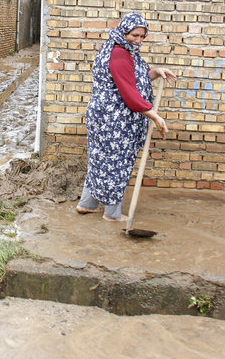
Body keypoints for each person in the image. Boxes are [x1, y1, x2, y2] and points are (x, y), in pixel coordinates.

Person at [76, 13, 177, 222]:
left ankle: (86, 204)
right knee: (117, 163)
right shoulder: (119, 55)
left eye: (142, 36)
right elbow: (129, 94)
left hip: (103, 116)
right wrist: (154, 116)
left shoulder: (119, 48)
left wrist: (156, 72)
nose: (138, 40)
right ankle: (112, 214)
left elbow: (133, 79)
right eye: (134, 35)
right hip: (114, 120)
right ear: (124, 31)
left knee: (99, 160)